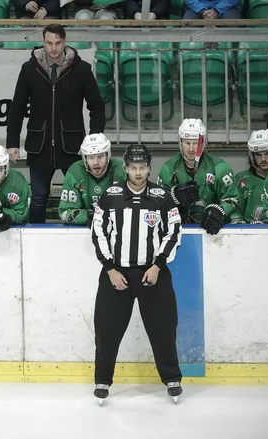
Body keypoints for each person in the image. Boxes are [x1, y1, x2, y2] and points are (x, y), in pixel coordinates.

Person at [91, 144, 183, 405]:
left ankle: (172, 379)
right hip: (116, 276)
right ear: (126, 167)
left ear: (149, 167)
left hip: (153, 275)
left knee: (164, 329)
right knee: (106, 330)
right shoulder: (111, 195)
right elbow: (98, 232)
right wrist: (109, 269)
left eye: (143, 167)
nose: (138, 172)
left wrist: (157, 265)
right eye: (134, 167)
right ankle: (102, 380)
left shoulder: (162, 196)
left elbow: (174, 231)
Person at [6, 24, 105, 224]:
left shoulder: (82, 69)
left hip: (72, 146)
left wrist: (94, 140)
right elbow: (16, 108)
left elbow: (97, 106)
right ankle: (35, 243)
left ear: (65, 42)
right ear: (43, 42)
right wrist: (12, 142)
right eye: (49, 43)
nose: (53, 48)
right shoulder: (28, 69)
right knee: (38, 198)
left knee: (80, 198)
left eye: (58, 43)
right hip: (38, 145)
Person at [156, 118, 240, 235]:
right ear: (180, 142)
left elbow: (233, 199)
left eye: (196, 143)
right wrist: (174, 197)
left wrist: (220, 211)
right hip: (179, 233)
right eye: (187, 143)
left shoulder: (220, 168)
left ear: (203, 142)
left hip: (212, 234)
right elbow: (157, 204)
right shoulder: (168, 169)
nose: (191, 149)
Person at [58, 133, 126, 227]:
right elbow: (65, 213)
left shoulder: (122, 170)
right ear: (84, 158)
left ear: (108, 155)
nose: (96, 162)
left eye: (100, 156)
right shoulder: (74, 172)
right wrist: (91, 216)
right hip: (84, 229)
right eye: (91, 157)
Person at [232, 129, 268, 224]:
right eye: (258, 155)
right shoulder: (241, 180)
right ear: (252, 156)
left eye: (267, 153)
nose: (263, 159)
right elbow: (234, 211)